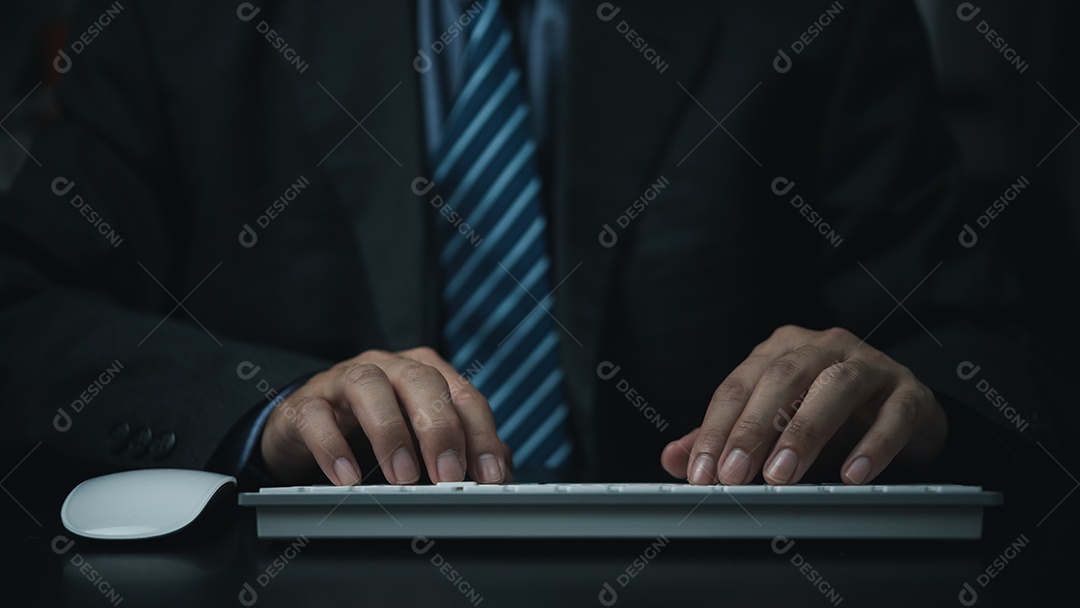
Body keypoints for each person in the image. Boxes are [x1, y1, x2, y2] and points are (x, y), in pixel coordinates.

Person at [0, 0, 1066, 489]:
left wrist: (914, 400)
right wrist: (263, 408)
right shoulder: (178, 21)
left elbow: (986, 345)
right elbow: (24, 308)